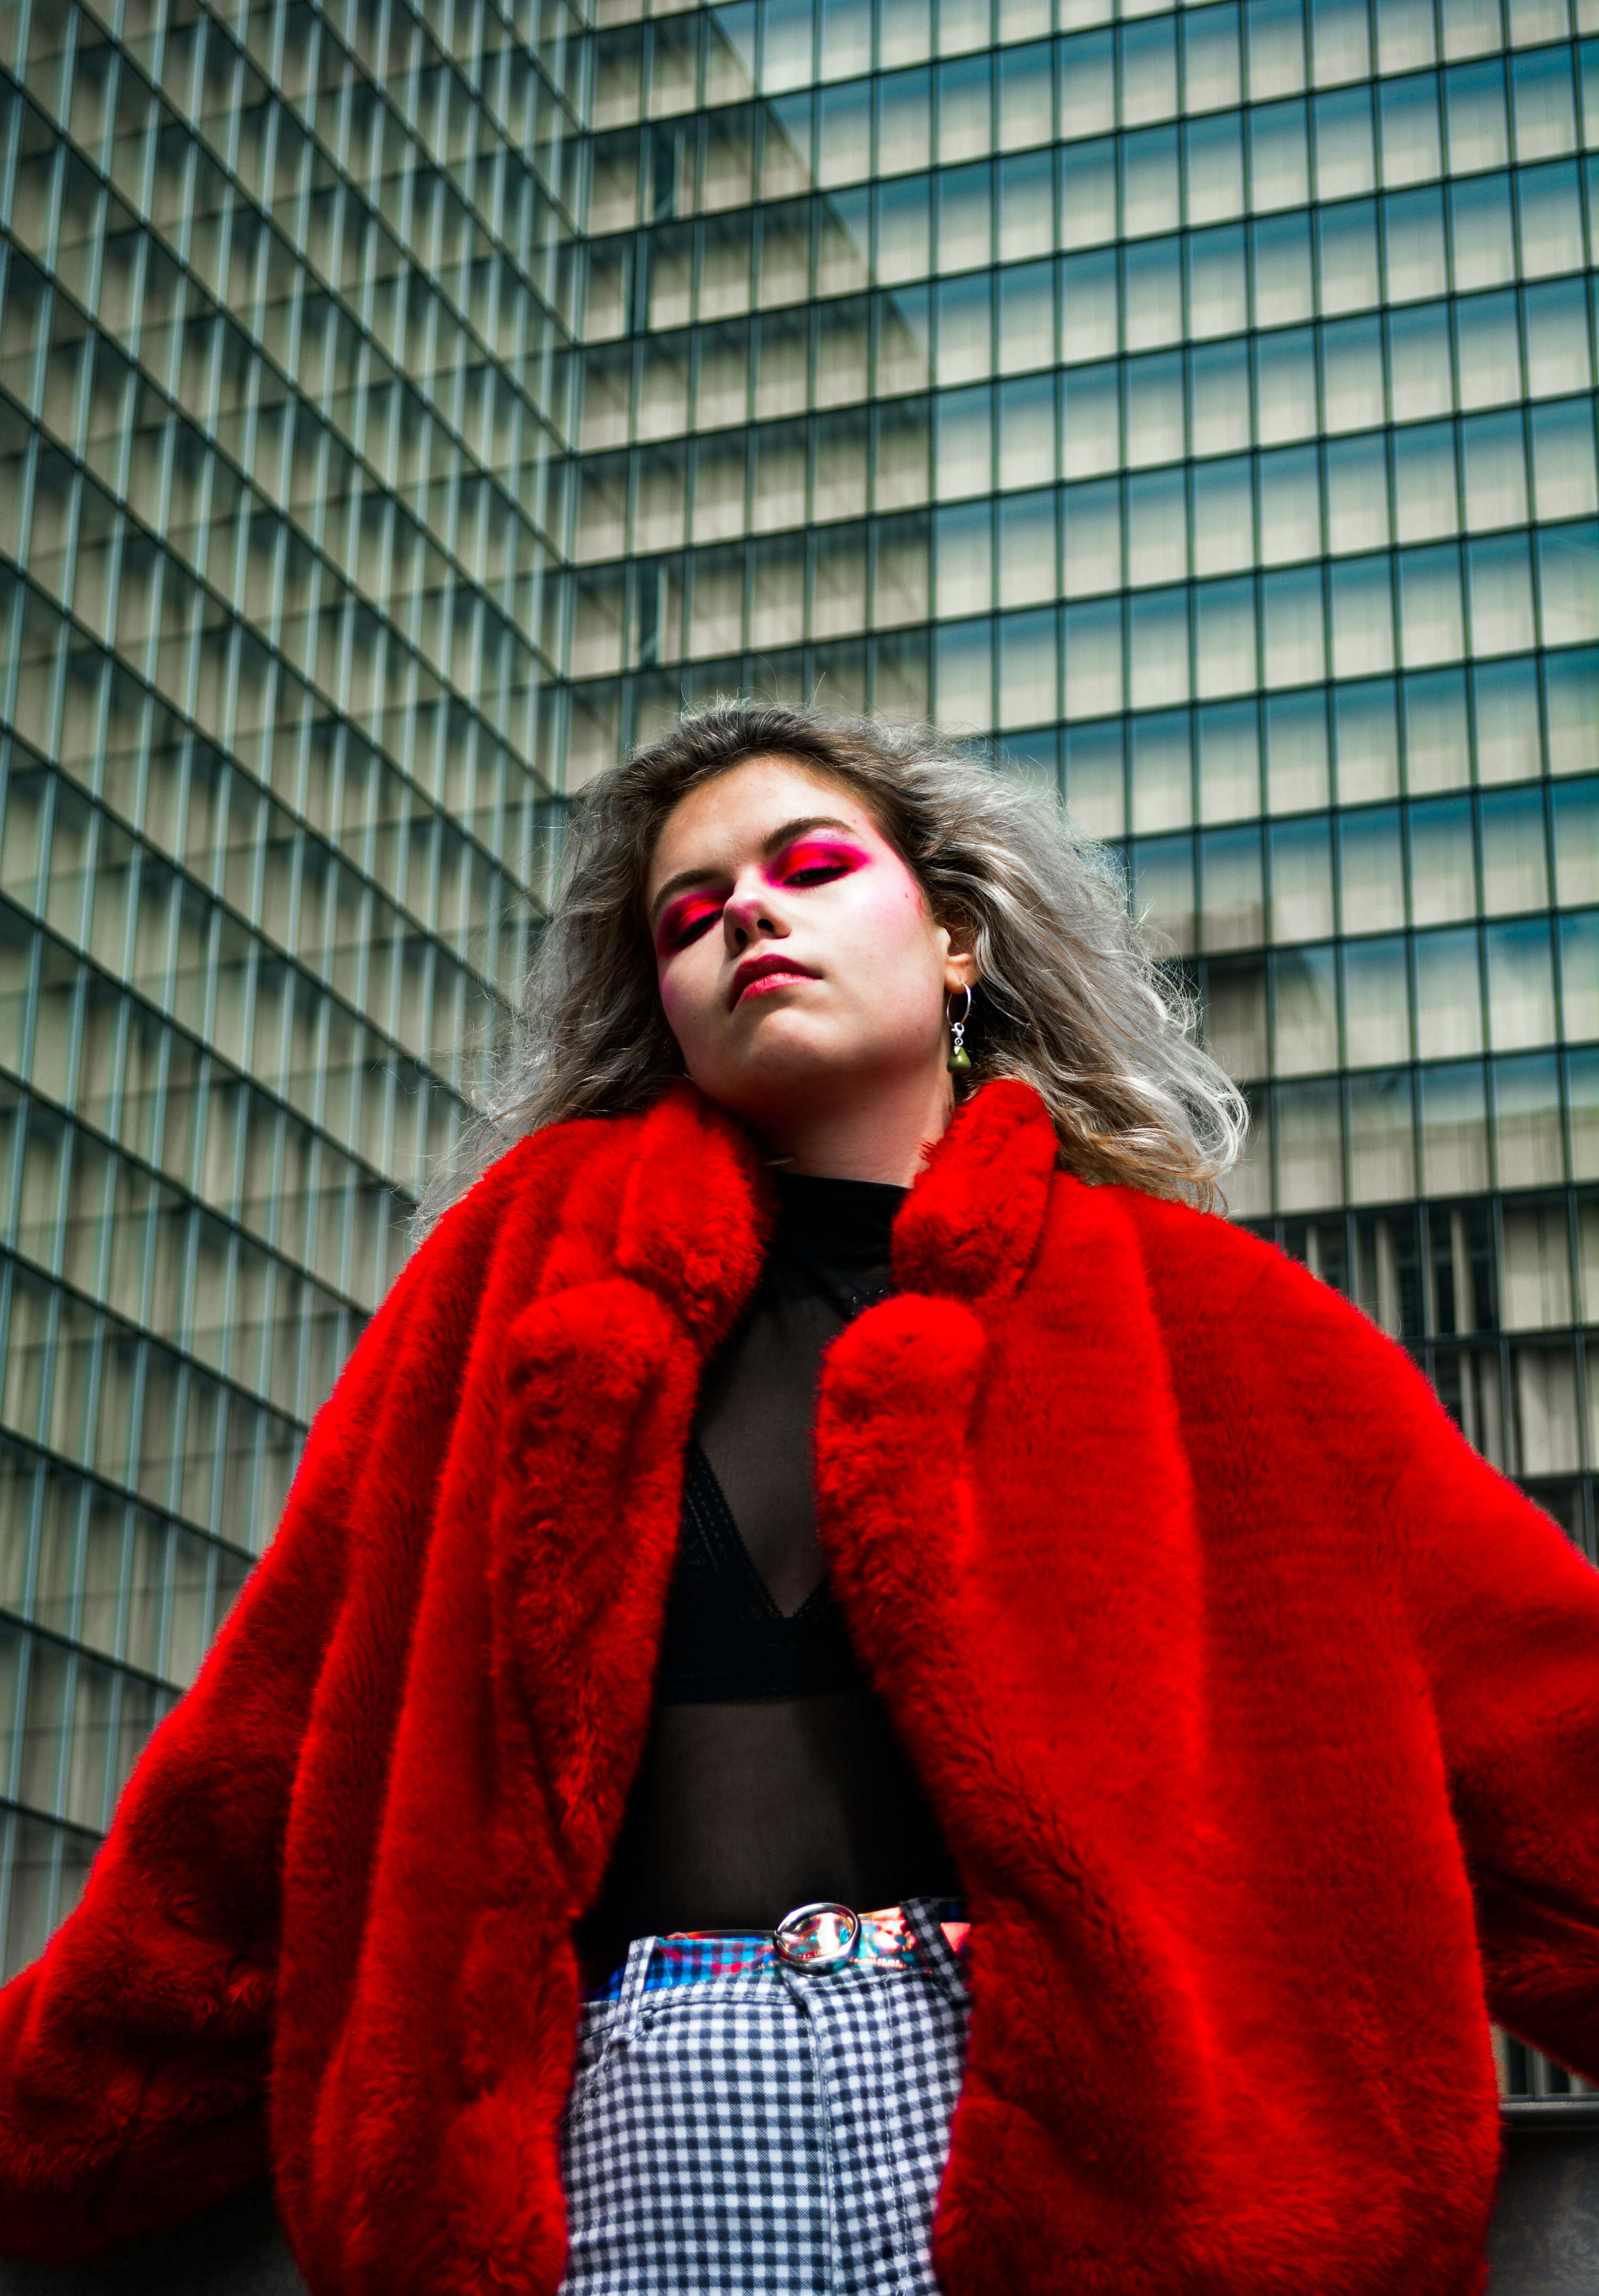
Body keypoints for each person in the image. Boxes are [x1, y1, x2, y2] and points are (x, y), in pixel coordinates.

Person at [0, 703, 1597, 2296]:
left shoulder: (1216, 1325)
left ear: (956, 937)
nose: (745, 911)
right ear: (667, 1004)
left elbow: (1546, 1740)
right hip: (619, 2160)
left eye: (811, 864)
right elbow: (264, 1770)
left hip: (1090, 2185)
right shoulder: (517, 1281)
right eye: (688, 915)